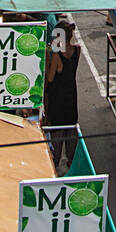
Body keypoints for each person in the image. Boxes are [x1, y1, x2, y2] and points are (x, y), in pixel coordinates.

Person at [44, 15, 81, 169]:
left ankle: (55, 166)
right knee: (71, 135)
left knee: (57, 138)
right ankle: (71, 164)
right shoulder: (77, 50)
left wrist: (47, 58)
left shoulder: (57, 56)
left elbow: (50, 78)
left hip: (57, 100)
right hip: (71, 97)